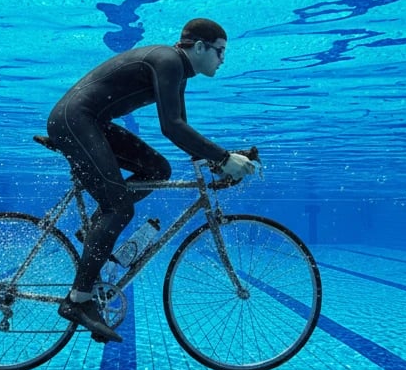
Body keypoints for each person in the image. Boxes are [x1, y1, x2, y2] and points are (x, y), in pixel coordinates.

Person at [47, 18, 256, 343]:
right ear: (199, 47)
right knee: (120, 210)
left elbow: (182, 130)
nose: (222, 60)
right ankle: (78, 300)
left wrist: (219, 160)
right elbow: (171, 127)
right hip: (76, 122)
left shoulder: (175, 67)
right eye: (220, 51)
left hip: (85, 121)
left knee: (158, 170)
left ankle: (101, 226)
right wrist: (223, 158)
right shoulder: (169, 62)